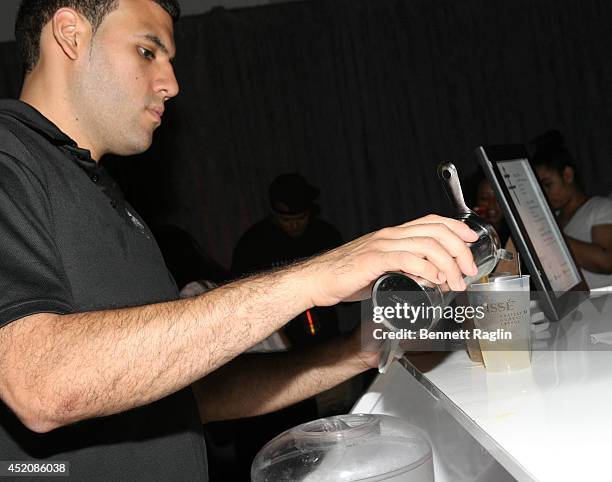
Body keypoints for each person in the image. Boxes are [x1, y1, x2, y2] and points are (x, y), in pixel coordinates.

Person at [0, 1, 479, 480]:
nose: (171, 83)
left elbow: (187, 396)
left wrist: (361, 349)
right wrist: (317, 276)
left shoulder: (111, 200)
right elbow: (42, 383)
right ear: (69, 34)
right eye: (147, 51)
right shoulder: (10, 158)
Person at [233, 172, 343, 347]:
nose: (294, 225)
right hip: (279, 340)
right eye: (286, 220)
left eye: (301, 218)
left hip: (327, 336)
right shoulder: (253, 243)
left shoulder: (325, 236)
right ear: (273, 214)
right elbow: (241, 296)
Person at [531, 130, 612, 289]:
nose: (543, 194)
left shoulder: (600, 207)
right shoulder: (554, 218)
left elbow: (607, 262)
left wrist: (548, 234)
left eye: (548, 185)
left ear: (567, 175)